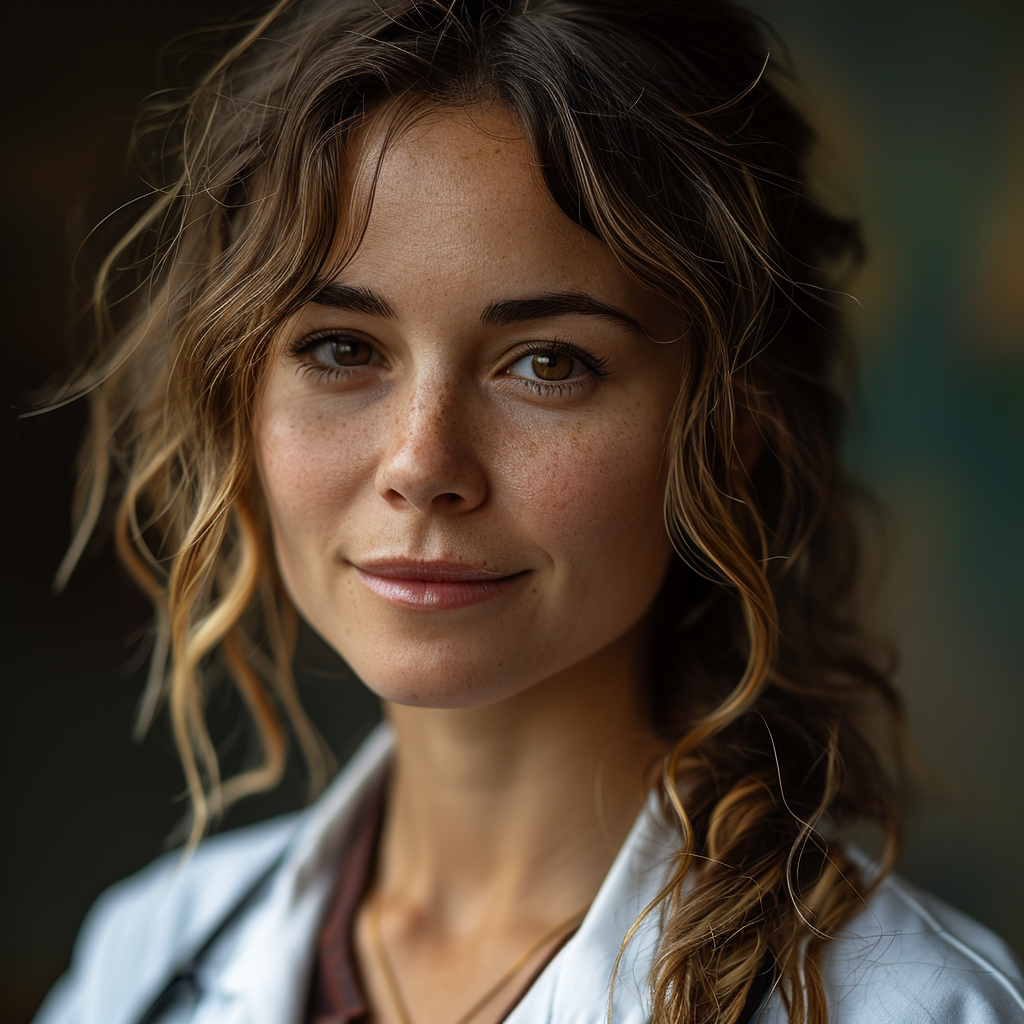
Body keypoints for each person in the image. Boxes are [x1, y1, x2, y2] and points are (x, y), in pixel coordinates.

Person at [30, 1, 1024, 1022]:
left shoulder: (912, 1005)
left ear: (729, 432)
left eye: (548, 363)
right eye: (340, 349)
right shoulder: (143, 959)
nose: (422, 464)